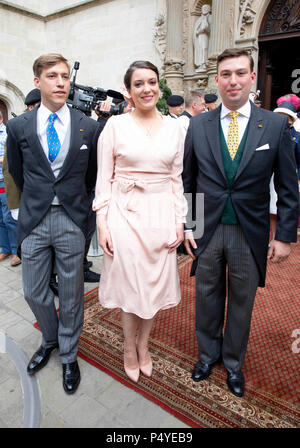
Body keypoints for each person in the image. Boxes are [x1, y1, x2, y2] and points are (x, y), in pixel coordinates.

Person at [183, 48, 299, 397]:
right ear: (216, 80)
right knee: (205, 295)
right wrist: (190, 226)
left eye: (240, 73)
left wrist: (286, 236)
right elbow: (189, 179)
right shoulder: (199, 124)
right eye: (226, 74)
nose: (233, 80)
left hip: (250, 231)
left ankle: (233, 362)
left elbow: (287, 185)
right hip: (209, 228)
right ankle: (208, 355)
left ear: (252, 78)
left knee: (241, 301)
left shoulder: (276, 124)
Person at [6, 53, 100, 394]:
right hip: (34, 219)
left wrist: (82, 209)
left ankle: (69, 354)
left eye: (64, 76)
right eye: (53, 76)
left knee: (73, 294)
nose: (61, 82)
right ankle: (50, 339)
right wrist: (31, 202)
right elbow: (17, 171)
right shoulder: (18, 127)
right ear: (38, 82)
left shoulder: (87, 125)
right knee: (33, 289)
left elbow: (92, 176)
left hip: (72, 219)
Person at [93, 60, 187, 383]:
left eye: (152, 82)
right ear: (128, 91)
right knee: (131, 286)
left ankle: (144, 345)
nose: (146, 89)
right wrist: (103, 224)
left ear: (159, 87)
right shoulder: (114, 127)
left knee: (154, 286)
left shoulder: (176, 128)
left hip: (161, 214)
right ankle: (128, 350)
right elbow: (103, 180)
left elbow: (177, 178)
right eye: (139, 84)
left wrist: (181, 221)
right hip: (124, 213)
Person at [0, 111, 21, 266]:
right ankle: (5, 248)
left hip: (4, 182)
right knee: (1, 218)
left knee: (9, 218)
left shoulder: (6, 133)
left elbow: (9, 158)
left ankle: (16, 251)